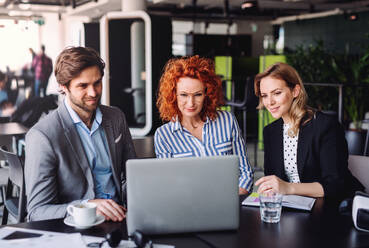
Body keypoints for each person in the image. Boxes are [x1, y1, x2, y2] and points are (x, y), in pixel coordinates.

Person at [25, 47, 136, 221]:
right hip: (77, 226)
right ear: (63, 87)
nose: (93, 93)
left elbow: (131, 175)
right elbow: (37, 211)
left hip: (122, 218)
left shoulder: (116, 118)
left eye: (97, 83)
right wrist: (87, 207)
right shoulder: (42, 136)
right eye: (83, 86)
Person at [254, 62, 363, 199]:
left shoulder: (325, 126)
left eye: (277, 93)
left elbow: (335, 185)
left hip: (332, 206)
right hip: (292, 206)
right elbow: (273, 180)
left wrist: (288, 187)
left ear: (295, 91)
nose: (269, 102)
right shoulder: (270, 132)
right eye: (264, 95)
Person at [154, 55, 253, 195]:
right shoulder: (164, 136)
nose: (191, 103)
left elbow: (245, 172)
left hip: (230, 200)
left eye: (197, 94)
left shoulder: (227, 121)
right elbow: (168, 185)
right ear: (173, 95)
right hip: (189, 206)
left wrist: (231, 199)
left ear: (207, 94)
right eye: (183, 95)